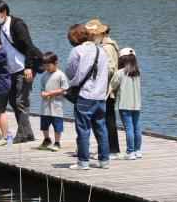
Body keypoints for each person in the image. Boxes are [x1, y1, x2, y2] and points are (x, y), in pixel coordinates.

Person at [0, 0, 43, 143]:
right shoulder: (0, 29)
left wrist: (28, 67)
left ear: (4, 12)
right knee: (13, 101)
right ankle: (28, 133)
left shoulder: (17, 25)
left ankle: (22, 135)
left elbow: (29, 46)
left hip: (23, 67)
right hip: (11, 69)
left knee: (21, 101)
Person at [64, 23, 111, 170]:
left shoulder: (77, 50)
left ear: (74, 38)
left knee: (83, 130)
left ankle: (83, 162)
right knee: (101, 129)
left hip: (85, 96)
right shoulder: (101, 51)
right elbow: (108, 72)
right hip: (100, 97)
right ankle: (104, 161)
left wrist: (72, 82)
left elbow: (70, 71)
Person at [87, 19, 122, 159]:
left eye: (93, 34)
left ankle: (112, 150)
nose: (91, 37)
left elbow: (113, 69)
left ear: (100, 33)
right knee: (104, 119)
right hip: (102, 88)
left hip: (107, 90)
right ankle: (107, 148)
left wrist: (97, 73)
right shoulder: (102, 45)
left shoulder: (108, 47)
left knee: (108, 119)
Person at [111, 47, 142, 159]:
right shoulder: (138, 72)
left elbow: (113, 85)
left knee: (129, 129)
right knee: (137, 127)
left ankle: (129, 152)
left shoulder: (120, 73)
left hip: (124, 104)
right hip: (136, 104)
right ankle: (137, 150)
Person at [38, 52, 68, 151]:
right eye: (45, 65)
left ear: (56, 63)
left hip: (57, 106)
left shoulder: (60, 75)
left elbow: (64, 90)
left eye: (49, 65)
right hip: (45, 105)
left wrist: (51, 93)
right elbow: (42, 88)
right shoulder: (44, 75)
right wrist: (43, 92)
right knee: (44, 125)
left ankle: (57, 142)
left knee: (57, 125)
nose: (46, 68)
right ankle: (46, 140)